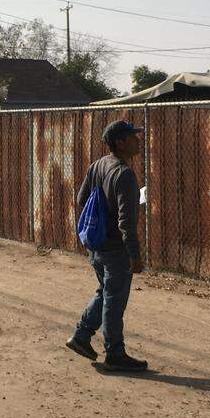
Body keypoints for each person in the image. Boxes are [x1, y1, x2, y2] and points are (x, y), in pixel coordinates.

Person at [66, 120, 149, 372]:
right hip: (116, 249)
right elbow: (126, 220)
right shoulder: (124, 174)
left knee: (106, 292)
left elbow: (82, 199)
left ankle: (81, 336)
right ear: (120, 143)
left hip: (97, 245)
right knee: (114, 300)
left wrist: (104, 209)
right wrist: (134, 254)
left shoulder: (98, 165)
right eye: (132, 137)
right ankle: (114, 353)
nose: (138, 140)